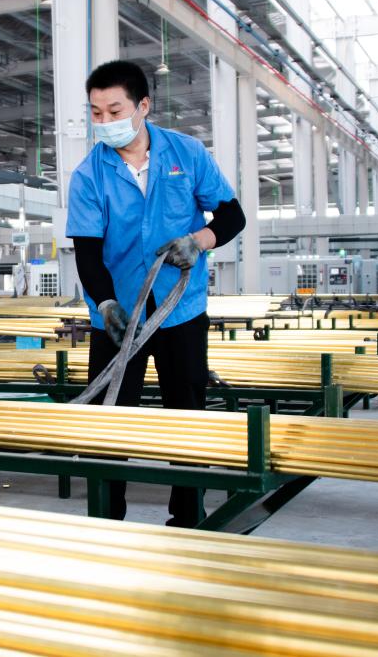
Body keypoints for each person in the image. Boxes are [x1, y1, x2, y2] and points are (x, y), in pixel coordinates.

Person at [66, 60, 246, 526]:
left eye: (114, 111)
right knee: (108, 422)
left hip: (180, 311)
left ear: (143, 106)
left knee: (186, 417)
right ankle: (108, 521)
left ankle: (187, 519)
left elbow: (232, 216)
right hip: (118, 317)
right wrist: (105, 303)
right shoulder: (89, 175)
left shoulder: (186, 154)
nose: (104, 121)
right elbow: (88, 254)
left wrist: (199, 241)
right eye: (96, 113)